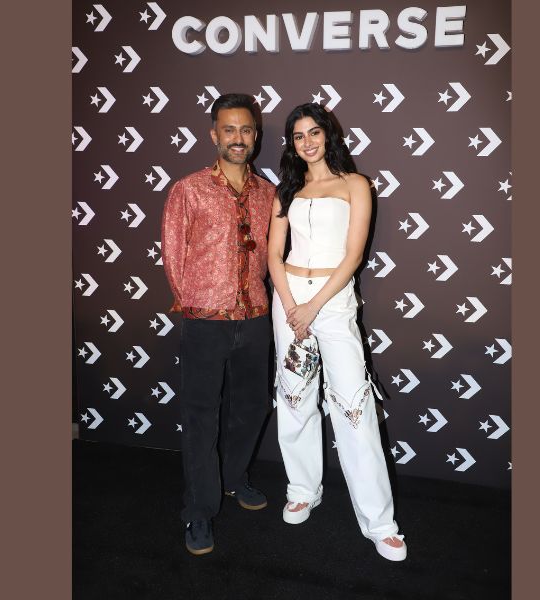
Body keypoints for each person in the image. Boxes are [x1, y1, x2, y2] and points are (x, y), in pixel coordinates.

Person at [267, 102, 407, 561]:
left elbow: (353, 255)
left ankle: (380, 523)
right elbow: (273, 254)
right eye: (298, 136)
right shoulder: (287, 189)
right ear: (292, 144)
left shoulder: (355, 185)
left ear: (328, 134)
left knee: (353, 407)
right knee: (294, 397)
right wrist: (291, 306)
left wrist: (313, 306)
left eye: (314, 132)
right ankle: (302, 489)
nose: (307, 142)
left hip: (331, 300)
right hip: (289, 300)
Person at [161, 93, 276, 556]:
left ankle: (233, 477)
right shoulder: (188, 189)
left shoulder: (268, 194)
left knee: (252, 407)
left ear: (255, 135)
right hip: (205, 321)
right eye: (229, 129)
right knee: (201, 417)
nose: (238, 138)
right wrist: (196, 302)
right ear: (214, 135)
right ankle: (199, 510)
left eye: (246, 129)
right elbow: (174, 254)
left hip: (256, 319)